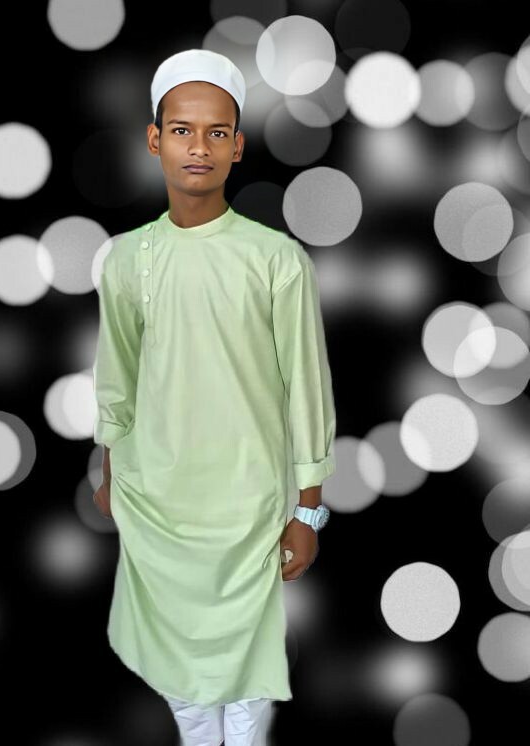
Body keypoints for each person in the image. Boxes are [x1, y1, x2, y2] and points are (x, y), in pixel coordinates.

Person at [91, 48, 337, 746]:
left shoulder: (275, 259)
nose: (197, 147)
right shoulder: (127, 257)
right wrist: (110, 473)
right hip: (157, 499)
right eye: (181, 130)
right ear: (154, 140)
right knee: (182, 677)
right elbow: (118, 375)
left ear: (237, 147)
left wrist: (307, 510)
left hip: (248, 503)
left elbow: (306, 388)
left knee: (247, 677)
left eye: (215, 133)